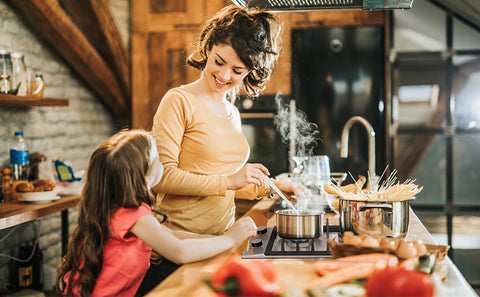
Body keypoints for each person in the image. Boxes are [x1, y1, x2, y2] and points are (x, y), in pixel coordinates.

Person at [141, 4, 309, 293]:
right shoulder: (178, 101)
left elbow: (220, 180)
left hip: (219, 241)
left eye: (237, 70)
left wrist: (272, 185)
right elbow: (163, 177)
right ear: (208, 48)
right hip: (178, 246)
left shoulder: (231, 110)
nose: (224, 76)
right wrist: (231, 180)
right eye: (219, 61)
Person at [56, 130, 257, 297]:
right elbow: (179, 251)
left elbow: (171, 234)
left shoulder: (118, 208)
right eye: (158, 160)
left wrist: (222, 241)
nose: (163, 165)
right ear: (144, 178)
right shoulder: (132, 216)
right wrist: (230, 239)